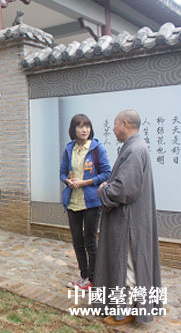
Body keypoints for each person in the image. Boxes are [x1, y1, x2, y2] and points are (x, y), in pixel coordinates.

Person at [94, 110, 162, 325]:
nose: (113, 129)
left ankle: (127, 310)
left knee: (128, 264)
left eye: (115, 124)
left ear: (125, 123)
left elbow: (125, 189)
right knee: (131, 263)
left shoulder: (134, 149)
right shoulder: (135, 146)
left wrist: (104, 190)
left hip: (129, 221)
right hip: (132, 216)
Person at [59, 114, 111, 290]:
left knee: (90, 241)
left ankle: (95, 279)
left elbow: (106, 174)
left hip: (91, 202)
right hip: (73, 201)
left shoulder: (97, 149)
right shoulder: (69, 149)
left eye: (87, 126)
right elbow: (62, 173)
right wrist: (68, 181)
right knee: (77, 241)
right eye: (80, 126)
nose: (84, 130)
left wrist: (84, 183)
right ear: (73, 129)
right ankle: (85, 277)